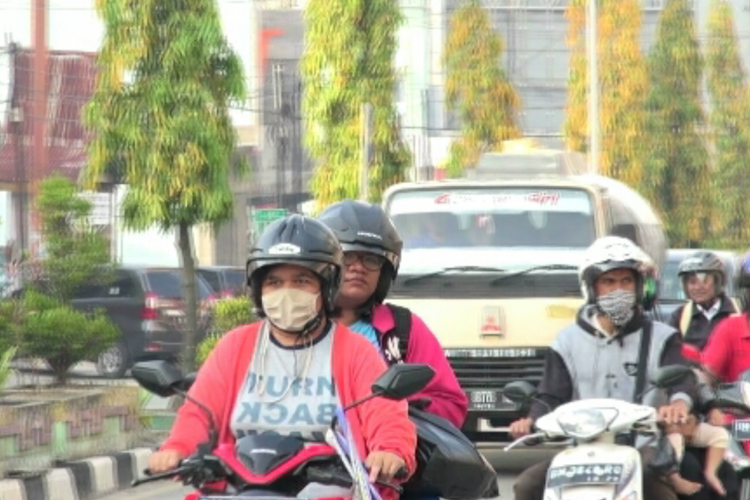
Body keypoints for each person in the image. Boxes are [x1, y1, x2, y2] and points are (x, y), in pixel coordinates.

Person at [148, 215, 417, 499]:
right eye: (274, 282)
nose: (286, 292)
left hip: (325, 487)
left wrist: (390, 450)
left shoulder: (354, 351)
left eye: (301, 281)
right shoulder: (235, 346)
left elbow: (386, 412)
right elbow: (200, 411)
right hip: (238, 486)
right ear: (259, 290)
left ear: (326, 287)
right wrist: (177, 448)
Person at [510, 236, 695, 500]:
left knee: (663, 495)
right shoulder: (566, 341)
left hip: (642, 451)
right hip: (581, 452)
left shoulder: (663, 336)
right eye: (609, 282)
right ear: (592, 288)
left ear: (639, 287)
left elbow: (681, 380)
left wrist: (678, 404)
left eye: (626, 281)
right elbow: (550, 394)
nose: (618, 290)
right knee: (527, 486)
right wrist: (530, 420)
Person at [317, 199, 468, 429]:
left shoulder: (403, 329)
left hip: (389, 456)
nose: (358, 267)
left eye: (370, 259)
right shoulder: (295, 326)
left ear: (385, 273)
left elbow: (451, 404)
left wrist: (400, 410)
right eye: (347, 256)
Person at [668, 251, 739, 351]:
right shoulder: (679, 317)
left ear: (717, 281)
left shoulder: (739, 311)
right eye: (692, 282)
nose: (698, 287)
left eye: (704, 280)